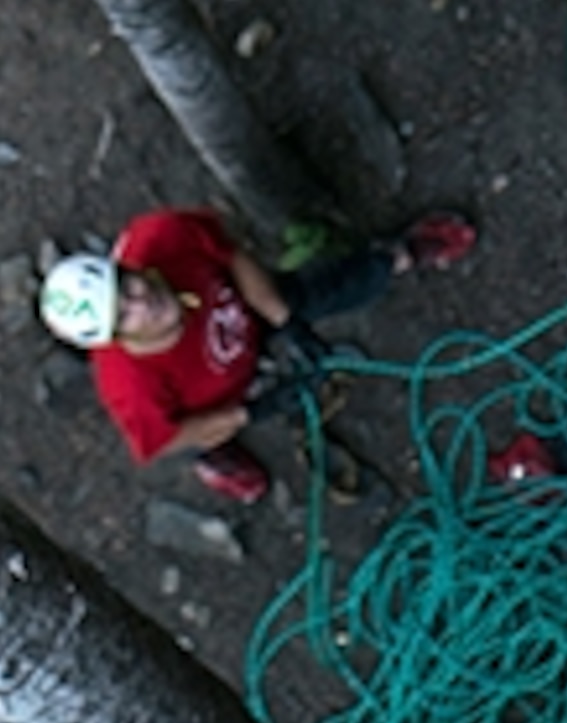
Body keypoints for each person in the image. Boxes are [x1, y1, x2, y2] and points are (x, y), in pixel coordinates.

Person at [39, 202, 477, 502]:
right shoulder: (131, 387)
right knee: (209, 437)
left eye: (127, 285)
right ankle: (220, 462)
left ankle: (396, 255)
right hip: (215, 399)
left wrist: (285, 322)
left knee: (315, 290)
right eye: (124, 315)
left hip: (246, 315)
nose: (142, 302)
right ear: (115, 338)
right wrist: (254, 411)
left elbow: (231, 257)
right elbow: (168, 436)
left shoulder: (162, 237)